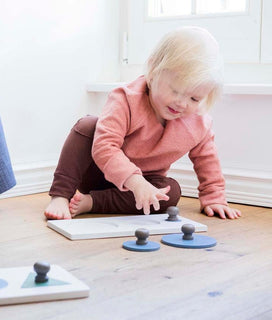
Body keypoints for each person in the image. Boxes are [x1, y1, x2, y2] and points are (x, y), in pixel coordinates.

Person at [44, 26, 242, 220]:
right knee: (87, 126)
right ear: (153, 71)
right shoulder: (126, 99)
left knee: (170, 193)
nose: (181, 103)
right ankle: (61, 196)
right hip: (99, 173)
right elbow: (104, 147)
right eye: (175, 90)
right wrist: (135, 181)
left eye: (194, 99)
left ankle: (92, 203)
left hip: (144, 184)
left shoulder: (199, 123)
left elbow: (207, 159)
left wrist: (214, 197)